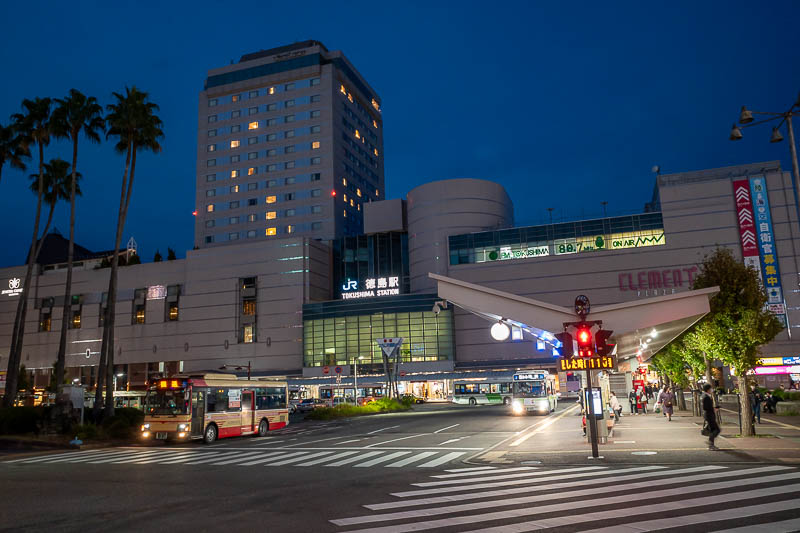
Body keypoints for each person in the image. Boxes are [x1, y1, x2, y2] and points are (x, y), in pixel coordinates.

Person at [702, 383, 721, 450]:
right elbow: (705, 407)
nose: (712, 390)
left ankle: (711, 444)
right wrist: (714, 409)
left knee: (713, 430)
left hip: (709, 415)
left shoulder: (706, 396)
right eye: (710, 388)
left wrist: (714, 408)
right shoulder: (706, 397)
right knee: (716, 430)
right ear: (708, 389)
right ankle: (710, 443)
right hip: (709, 416)